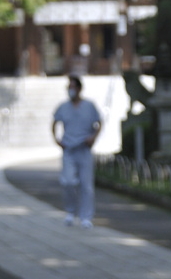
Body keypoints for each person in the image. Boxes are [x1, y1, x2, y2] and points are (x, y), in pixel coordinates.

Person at [52, 75, 102, 229]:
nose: (71, 90)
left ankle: (86, 217)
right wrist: (57, 139)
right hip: (69, 149)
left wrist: (93, 137)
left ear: (79, 89)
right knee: (67, 181)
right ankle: (70, 211)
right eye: (69, 88)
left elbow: (98, 123)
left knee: (86, 185)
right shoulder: (63, 107)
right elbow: (54, 122)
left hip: (84, 149)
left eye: (73, 87)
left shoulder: (89, 106)